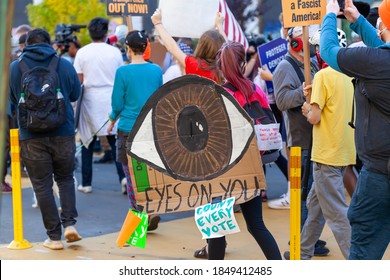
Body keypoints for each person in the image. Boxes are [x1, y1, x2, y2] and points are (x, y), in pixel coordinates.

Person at [151, 8, 227, 259]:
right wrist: (220, 26)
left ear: (200, 48)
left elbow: (172, 47)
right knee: (218, 191)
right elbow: (223, 48)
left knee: (203, 193)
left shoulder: (194, 66)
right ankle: (217, 244)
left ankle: (212, 245)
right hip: (223, 134)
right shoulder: (225, 69)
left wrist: (159, 24)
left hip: (197, 135)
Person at [320, 0, 390, 260]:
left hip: (381, 176)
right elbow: (383, 50)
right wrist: (358, 21)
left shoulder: (375, 63)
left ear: (381, 24)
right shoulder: (380, 60)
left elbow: (328, 50)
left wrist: (329, 16)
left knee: (364, 251)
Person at [206, 41, 282, 260]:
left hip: (225, 169)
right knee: (256, 225)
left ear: (221, 66)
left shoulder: (219, 95)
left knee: (216, 228)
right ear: (242, 63)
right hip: (252, 166)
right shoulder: (255, 89)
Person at [285, 28, 355, 260]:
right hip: (342, 151)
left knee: (336, 215)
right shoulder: (349, 75)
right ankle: (302, 253)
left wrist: (307, 107)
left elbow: (314, 117)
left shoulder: (323, 76)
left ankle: (359, 261)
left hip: (326, 153)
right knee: (315, 209)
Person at [8, 28, 82, 250]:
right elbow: (75, 94)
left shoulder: (16, 67)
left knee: (41, 185)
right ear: (49, 44)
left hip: (31, 135)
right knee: (65, 178)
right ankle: (70, 225)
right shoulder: (64, 64)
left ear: (27, 44)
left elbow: (13, 98)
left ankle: (54, 237)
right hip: (63, 130)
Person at [272, 25, 330, 257]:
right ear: (296, 43)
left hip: (315, 138)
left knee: (313, 195)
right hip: (300, 142)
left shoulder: (310, 63)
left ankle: (309, 239)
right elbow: (282, 100)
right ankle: (300, 243)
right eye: (308, 43)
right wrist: (304, 91)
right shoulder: (285, 67)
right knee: (302, 195)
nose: (313, 47)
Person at [107, 30, 163, 231]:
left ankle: (139, 217)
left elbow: (117, 103)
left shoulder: (123, 72)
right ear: (145, 47)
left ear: (128, 49)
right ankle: (152, 210)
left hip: (128, 129)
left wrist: (112, 120)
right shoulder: (156, 70)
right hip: (150, 128)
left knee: (131, 174)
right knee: (149, 171)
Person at [73, 17, 126, 194]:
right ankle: (124, 178)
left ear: (90, 33)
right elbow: (120, 78)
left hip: (90, 99)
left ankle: (86, 183)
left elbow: (78, 80)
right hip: (111, 97)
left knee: (88, 141)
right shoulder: (115, 53)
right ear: (106, 33)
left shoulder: (82, 53)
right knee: (114, 141)